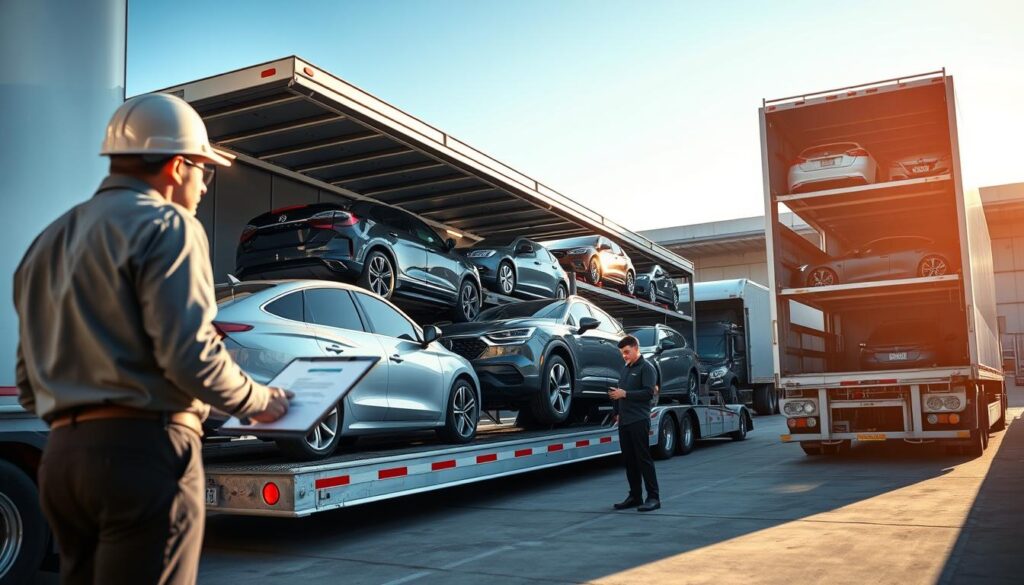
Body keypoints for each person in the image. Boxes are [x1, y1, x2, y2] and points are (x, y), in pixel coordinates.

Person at [14, 93, 291, 585]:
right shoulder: (169, 226)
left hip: (61, 460)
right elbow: (192, 355)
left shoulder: (50, 238)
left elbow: (27, 376)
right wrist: (259, 400)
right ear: (175, 166)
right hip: (144, 453)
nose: (204, 186)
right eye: (203, 170)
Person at [608, 335, 661, 512]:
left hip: (639, 420)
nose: (624, 356)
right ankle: (635, 496)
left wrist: (625, 394)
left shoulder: (647, 368)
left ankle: (653, 498)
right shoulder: (625, 368)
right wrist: (616, 412)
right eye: (622, 353)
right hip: (625, 421)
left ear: (636, 348)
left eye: (627, 352)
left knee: (643, 459)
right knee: (629, 461)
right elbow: (620, 392)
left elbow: (648, 393)